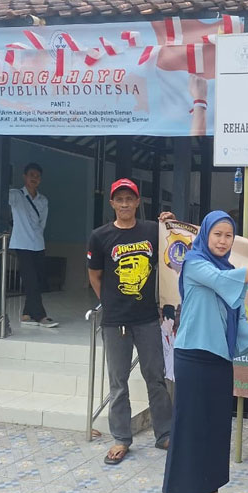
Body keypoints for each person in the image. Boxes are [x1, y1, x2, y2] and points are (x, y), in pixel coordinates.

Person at [162, 211, 248, 493]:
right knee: (191, 425)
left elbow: (238, 316)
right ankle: (181, 491)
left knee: (217, 426)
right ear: (205, 234)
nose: (222, 240)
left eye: (228, 235)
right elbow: (221, 281)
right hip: (193, 356)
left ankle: (210, 490)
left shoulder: (228, 269)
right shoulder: (194, 263)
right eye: (217, 234)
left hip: (220, 359)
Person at [87, 178, 174, 465]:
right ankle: (121, 439)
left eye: (129, 199)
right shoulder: (100, 236)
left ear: (137, 202)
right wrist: (110, 302)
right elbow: (94, 275)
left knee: (156, 378)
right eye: (119, 199)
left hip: (147, 318)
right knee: (118, 383)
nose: (124, 204)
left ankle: (165, 433)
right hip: (115, 322)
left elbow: (175, 250)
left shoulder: (151, 231)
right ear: (112, 203)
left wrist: (170, 224)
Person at [9, 163, 57, 328]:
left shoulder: (43, 200)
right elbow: (0, 200)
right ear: (25, 177)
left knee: (37, 279)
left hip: (37, 243)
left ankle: (27, 314)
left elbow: (42, 223)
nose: (34, 178)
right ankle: (40, 315)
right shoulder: (15, 195)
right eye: (31, 175)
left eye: (37, 176)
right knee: (31, 280)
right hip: (22, 244)